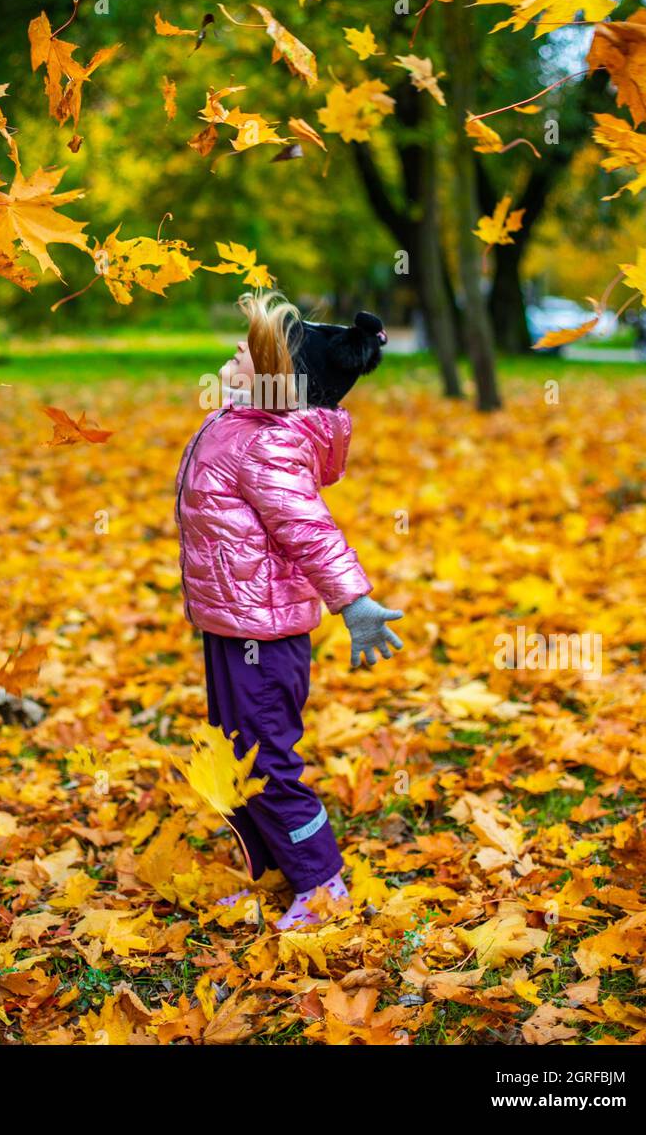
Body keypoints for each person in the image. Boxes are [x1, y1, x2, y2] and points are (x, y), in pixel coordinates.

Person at [174, 291, 403, 930]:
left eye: (245, 351)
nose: (233, 354)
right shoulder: (242, 423)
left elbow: (310, 529)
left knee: (267, 758)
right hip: (231, 623)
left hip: (265, 635)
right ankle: (275, 870)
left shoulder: (269, 445)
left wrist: (353, 603)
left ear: (276, 379)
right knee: (232, 751)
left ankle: (322, 879)